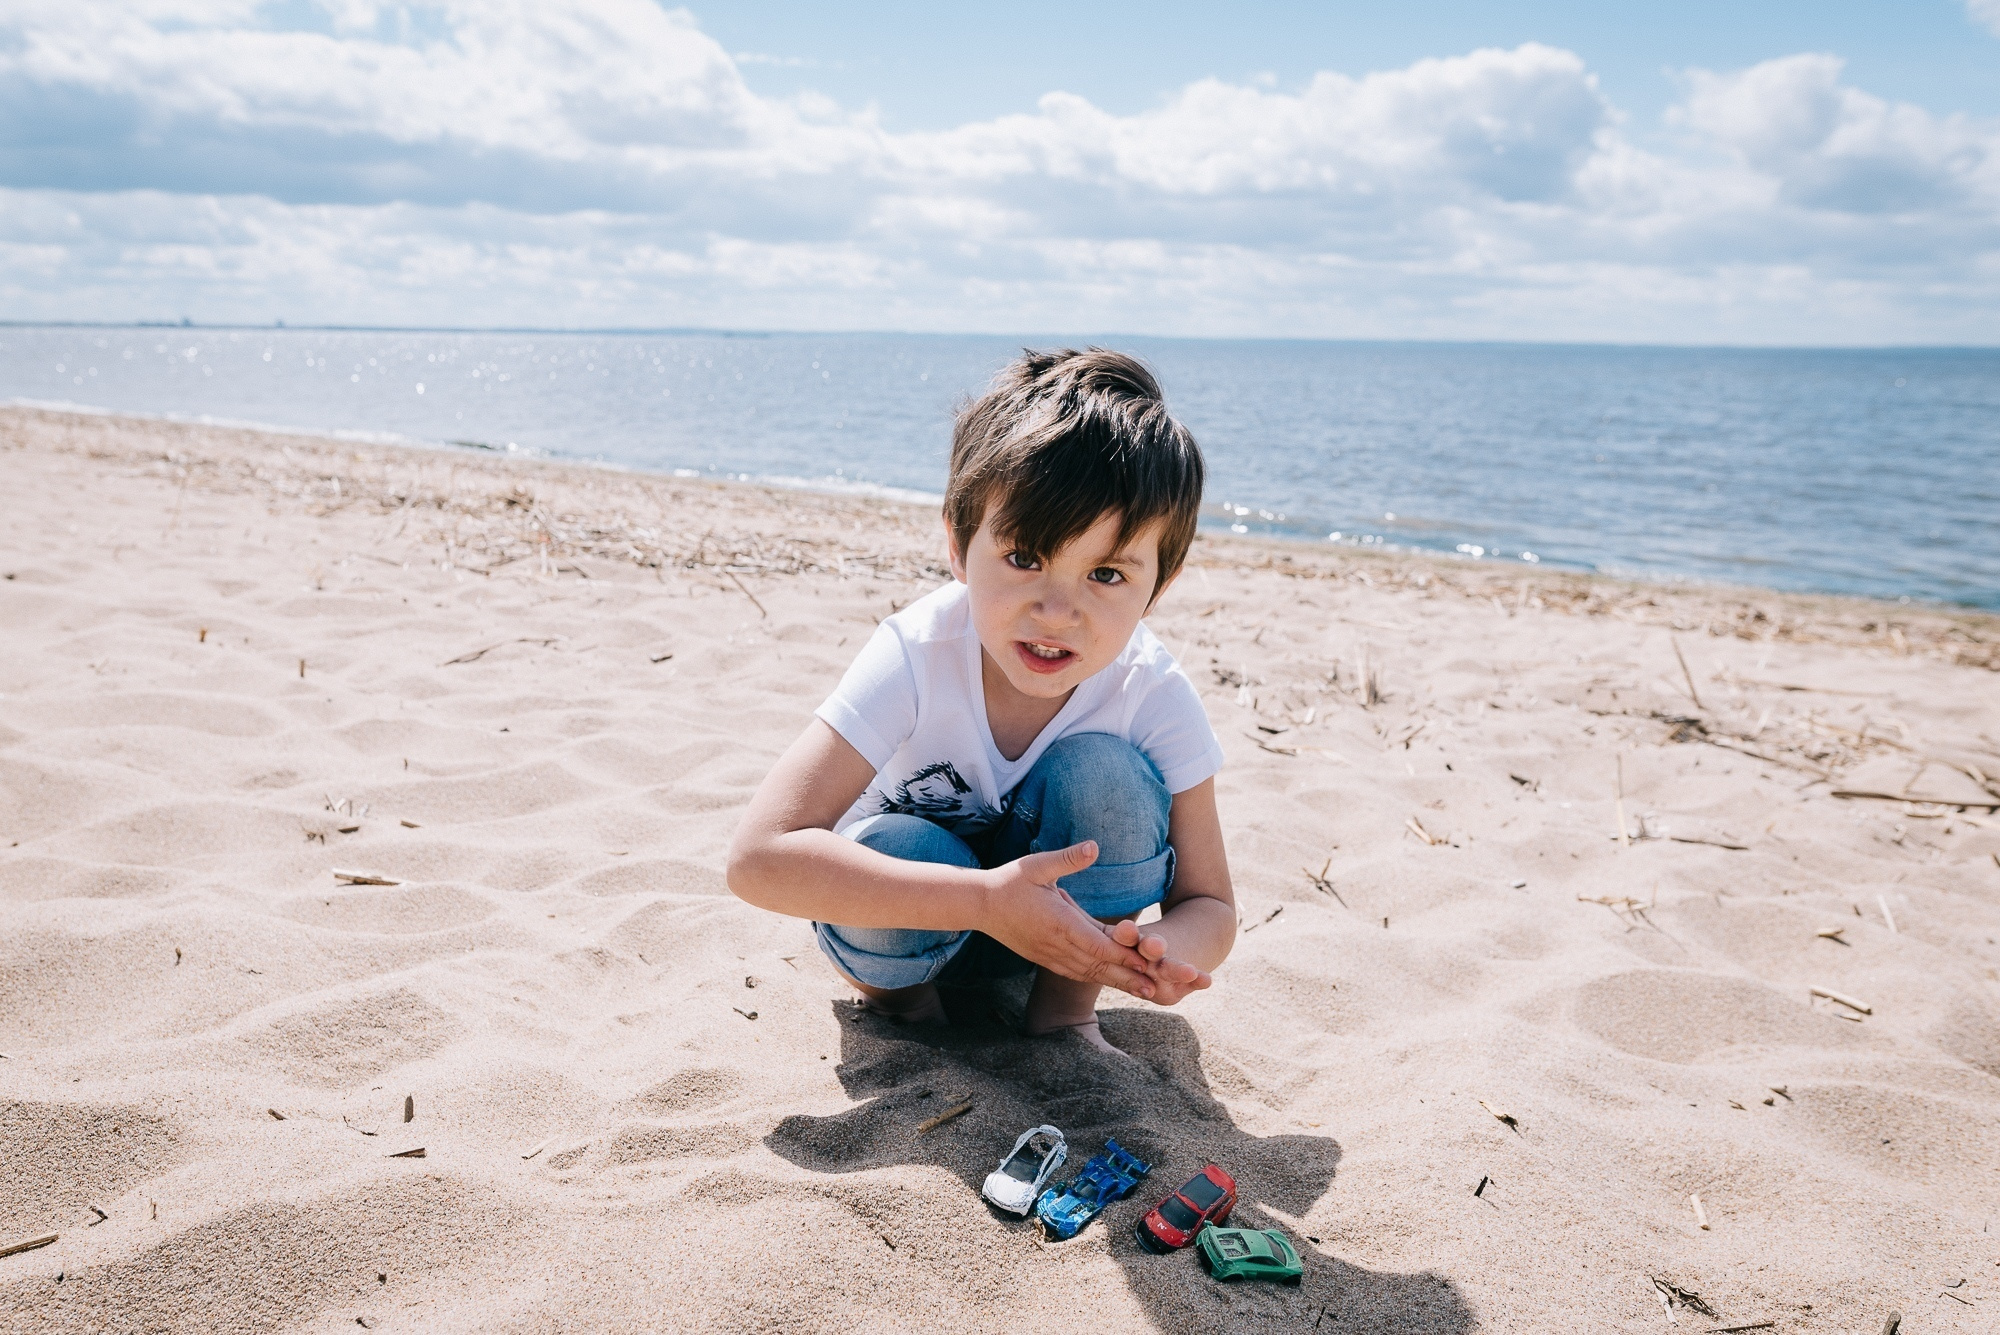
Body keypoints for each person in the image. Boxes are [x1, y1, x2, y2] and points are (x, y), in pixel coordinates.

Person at [726, 348, 1235, 1054]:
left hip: (1063, 944)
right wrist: (983, 901)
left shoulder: (1151, 690)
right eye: (1025, 558)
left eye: (1107, 573)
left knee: (1108, 776)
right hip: (904, 934)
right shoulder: (917, 653)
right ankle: (909, 1015)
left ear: (1160, 583)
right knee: (900, 841)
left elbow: (1211, 905)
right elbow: (757, 857)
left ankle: (1063, 1017)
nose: (1058, 610)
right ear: (960, 545)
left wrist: (1155, 948)